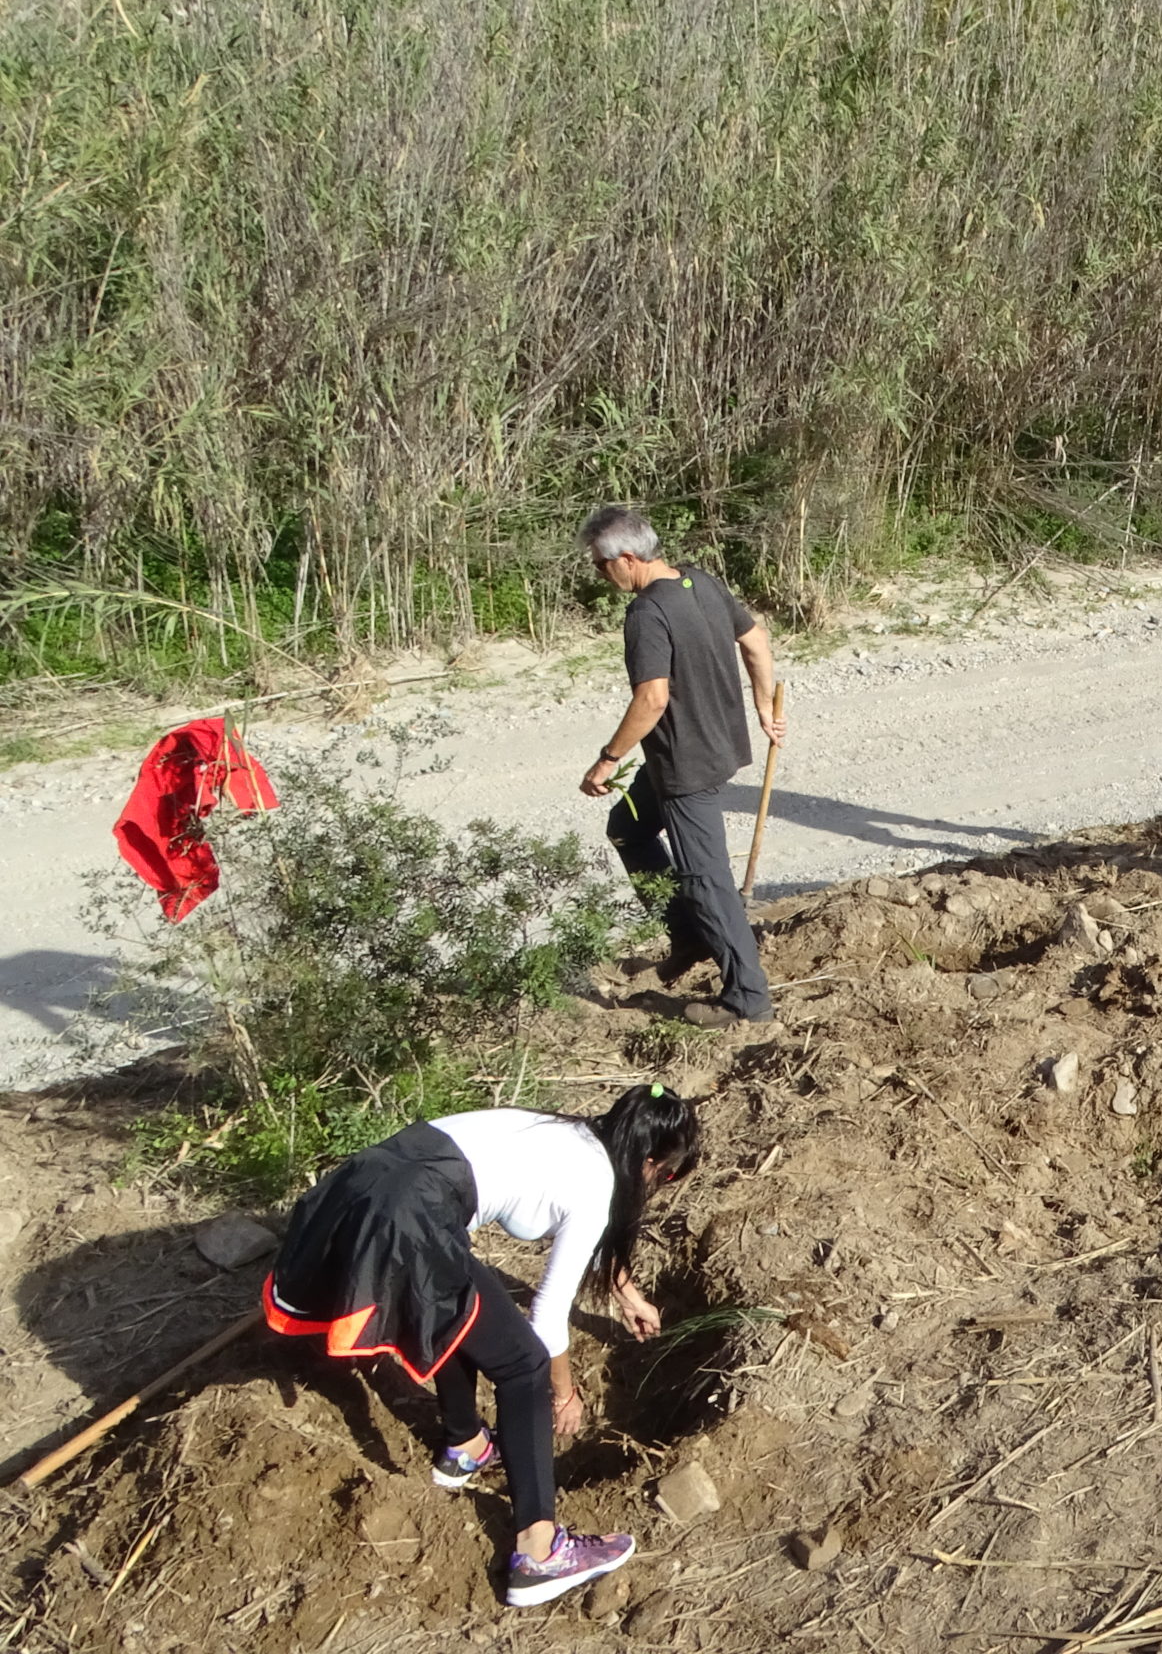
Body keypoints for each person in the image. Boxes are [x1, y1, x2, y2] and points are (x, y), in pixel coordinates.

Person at [263, 1086, 702, 1609]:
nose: (664, 1186)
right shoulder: (594, 1185)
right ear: (650, 1161)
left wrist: (627, 1294)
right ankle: (540, 1552)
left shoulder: (562, 1132)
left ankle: (465, 1445)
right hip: (411, 1214)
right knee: (524, 1363)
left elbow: (587, 1240)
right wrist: (562, 1392)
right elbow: (547, 1318)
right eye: (669, 1176)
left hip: (362, 1182)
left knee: (460, 1301)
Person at [577, 506, 785, 1029]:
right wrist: (762, 705)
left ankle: (748, 996)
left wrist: (607, 760)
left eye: (601, 567)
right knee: (628, 827)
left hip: (685, 764)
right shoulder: (700, 582)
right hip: (717, 745)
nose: (602, 578)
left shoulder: (647, 613)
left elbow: (651, 699)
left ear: (626, 559)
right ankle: (689, 934)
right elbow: (756, 641)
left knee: (706, 878)